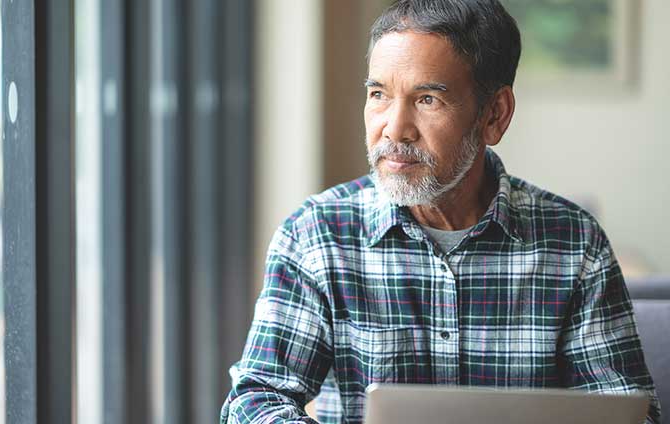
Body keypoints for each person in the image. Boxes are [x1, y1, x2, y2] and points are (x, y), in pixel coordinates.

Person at [220, 0, 661, 423]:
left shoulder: (575, 244)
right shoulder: (315, 235)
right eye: (378, 94)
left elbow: (628, 413)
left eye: (427, 99)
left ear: (495, 115)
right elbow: (256, 400)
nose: (393, 128)